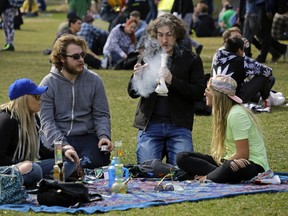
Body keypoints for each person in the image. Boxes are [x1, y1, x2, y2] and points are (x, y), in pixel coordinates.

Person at [127, 14, 205, 166]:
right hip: (150, 126)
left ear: (177, 36)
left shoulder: (191, 60)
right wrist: (136, 78)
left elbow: (197, 93)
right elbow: (132, 93)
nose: (164, 40)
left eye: (169, 35)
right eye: (160, 35)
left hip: (179, 126)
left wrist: (172, 80)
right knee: (147, 169)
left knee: (182, 170)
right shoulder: (147, 57)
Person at [177, 75, 270, 183]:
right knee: (182, 157)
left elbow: (243, 154)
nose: (204, 93)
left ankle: (212, 176)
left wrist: (208, 176)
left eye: (208, 90)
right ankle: (218, 174)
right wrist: (220, 170)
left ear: (217, 94)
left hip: (251, 165)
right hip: (231, 162)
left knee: (228, 167)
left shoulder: (236, 114)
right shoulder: (226, 114)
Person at [39, 34, 113, 169]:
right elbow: (47, 122)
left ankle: (74, 168)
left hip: (86, 136)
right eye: (75, 57)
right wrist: (64, 146)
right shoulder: (48, 83)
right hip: (57, 137)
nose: (81, 60)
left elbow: (101, 115)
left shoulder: (95, 80)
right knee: (62, 164)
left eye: (82, 55)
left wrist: (104, 136)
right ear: (61, 58)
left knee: (96, 161)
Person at [0, 78, 78, 188]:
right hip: (6, 171)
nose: (41, 100)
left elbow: (41, 152)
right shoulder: (7, 120)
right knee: (34, 170)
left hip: (27, 167)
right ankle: (43, 181)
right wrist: (20, 164)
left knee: (67, 161)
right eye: (37, 96)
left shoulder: (33, 119)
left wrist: (63, 151)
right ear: (23, 99)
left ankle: (50, 183)